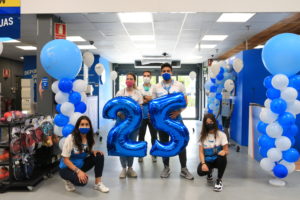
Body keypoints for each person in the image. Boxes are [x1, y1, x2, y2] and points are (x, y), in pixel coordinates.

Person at [151, 63, 194, 180]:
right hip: (163, 121)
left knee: (181, 142)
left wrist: (178, 112)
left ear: (172, 72)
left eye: (168, 70)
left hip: (176, 119)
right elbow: (154, 105)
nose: (166, 72)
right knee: (164, 143)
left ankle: (184, 169)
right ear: (161, 73)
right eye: (163, 71)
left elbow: (185, 101)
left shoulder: (179, 85)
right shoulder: (156, 87)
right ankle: (166, 168)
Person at [59, 116, 109, 193]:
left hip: (80, 164)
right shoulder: (71, 138)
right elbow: (65, 160)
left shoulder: (89, 138)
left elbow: (84, 149)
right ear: (78, 126)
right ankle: (68, 179)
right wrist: (78, 171)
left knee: (99, 156)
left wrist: (93, 152)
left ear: (90, 126)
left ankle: (98, 183)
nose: (84, 126)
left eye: (86, 124)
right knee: (82, 182)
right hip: (66, 168)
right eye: (82, 124)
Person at [115, 72, 143, 179]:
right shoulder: (120, 92)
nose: (129, 80)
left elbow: (140, 108)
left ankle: (130, 168)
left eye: (131, 78)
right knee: (121, 144)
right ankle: (123, 168)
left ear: (134, 81)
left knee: (131, 144)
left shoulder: (138, 93)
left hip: (133, 124)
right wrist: (119, 112)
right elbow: (116, 106)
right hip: (121, 122)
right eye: (127, 78)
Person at [197, 113, 228, 192]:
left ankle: (219, 180)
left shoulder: (221, 135)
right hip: (208, 160)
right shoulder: (202, 137)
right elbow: (201, 152)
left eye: (211, 122)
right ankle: (209, 172)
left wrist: (224, 151)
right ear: (205, 125)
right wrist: (203, 163)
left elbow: (226, 150)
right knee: (200, 171)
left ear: (214, 122)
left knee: (223, 158)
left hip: (217, 159)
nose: (209, 125)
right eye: (207, 123)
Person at [138, 71, 158, 163]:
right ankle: (140, 154)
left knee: (154, 135)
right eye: (144, 75)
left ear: (151, 77)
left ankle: (154, 154)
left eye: (148, 76)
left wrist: (147, 98)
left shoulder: (155, 88)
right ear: (142, 77)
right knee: (141, 136)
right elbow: (139, 100)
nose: (146, 77)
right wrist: (149, 99)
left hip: (152, 116)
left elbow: (156, 100)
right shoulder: (138, 88)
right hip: (142, 116)